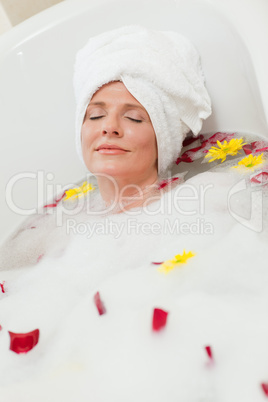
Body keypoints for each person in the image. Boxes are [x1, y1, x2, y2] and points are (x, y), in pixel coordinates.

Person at [0, 25, 268, 402]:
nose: (109, 127)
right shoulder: (46, 234)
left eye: (135, 118)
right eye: (94, 116)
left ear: (165, 138)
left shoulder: (214, 197)